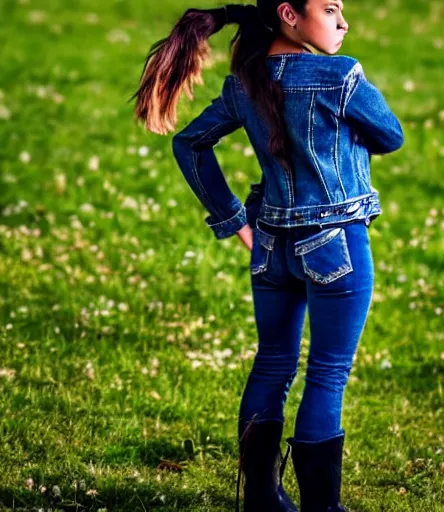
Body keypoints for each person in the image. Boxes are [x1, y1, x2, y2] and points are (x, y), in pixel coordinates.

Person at [130, 1, 404, 510]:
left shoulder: (245, 84)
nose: (343, 22)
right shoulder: (339, 76)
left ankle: (261, 499)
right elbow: (391, 134)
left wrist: (235, 221)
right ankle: (322, 507)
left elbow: (189, 145)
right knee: (326, 372)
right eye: (331, 8)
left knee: (273, 364)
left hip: (272, 247)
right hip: (335, 244)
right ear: (289, 13)